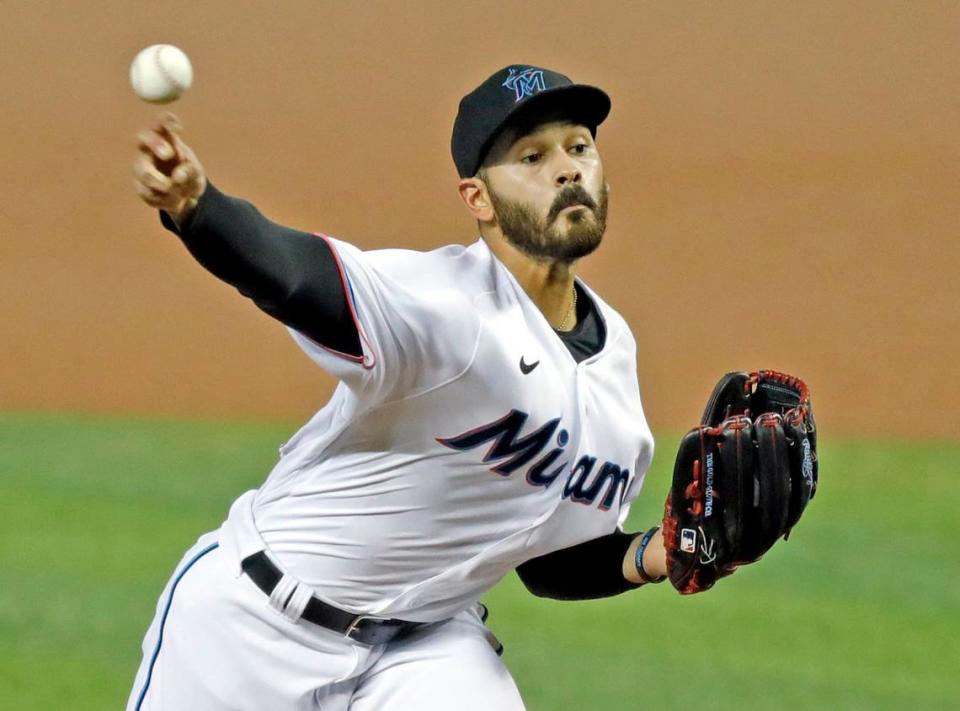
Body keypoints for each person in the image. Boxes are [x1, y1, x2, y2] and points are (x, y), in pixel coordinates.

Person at [127, 64, 666, 711]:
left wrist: (655, 552)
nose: (567, 169)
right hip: (251, 625)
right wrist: (198, 208)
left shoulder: (614, 357)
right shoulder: (443, 307)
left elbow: (548, 551)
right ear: (478, 200)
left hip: (427, 650)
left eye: (579, 147)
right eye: (532, 156)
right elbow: (301, 279)